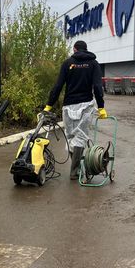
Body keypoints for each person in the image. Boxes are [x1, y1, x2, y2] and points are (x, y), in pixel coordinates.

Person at [43, 40, 107, 180]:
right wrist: (101, 107)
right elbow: (97, 86)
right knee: (80, 136)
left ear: (74, 49)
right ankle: (75, 171)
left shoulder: (67, 63)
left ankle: (76, 169)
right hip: (86, 105)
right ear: (86, 49)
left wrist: (49, 105)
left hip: (68, 105)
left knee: (71, 136)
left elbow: (58, 86)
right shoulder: (93, 64)